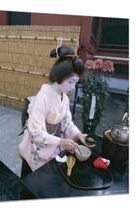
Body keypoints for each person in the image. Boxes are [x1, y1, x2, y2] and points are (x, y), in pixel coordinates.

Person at [18, 46, 94, 177]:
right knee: (33, 180)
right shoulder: (42, 98)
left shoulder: (63, 97)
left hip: (51, 143)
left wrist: (79, 134)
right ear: (60, 77)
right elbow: (36, 133)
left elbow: (66, 122)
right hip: (36, 146)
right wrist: (60, 142)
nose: (73, 87)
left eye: (75, 82)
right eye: (71, 82)